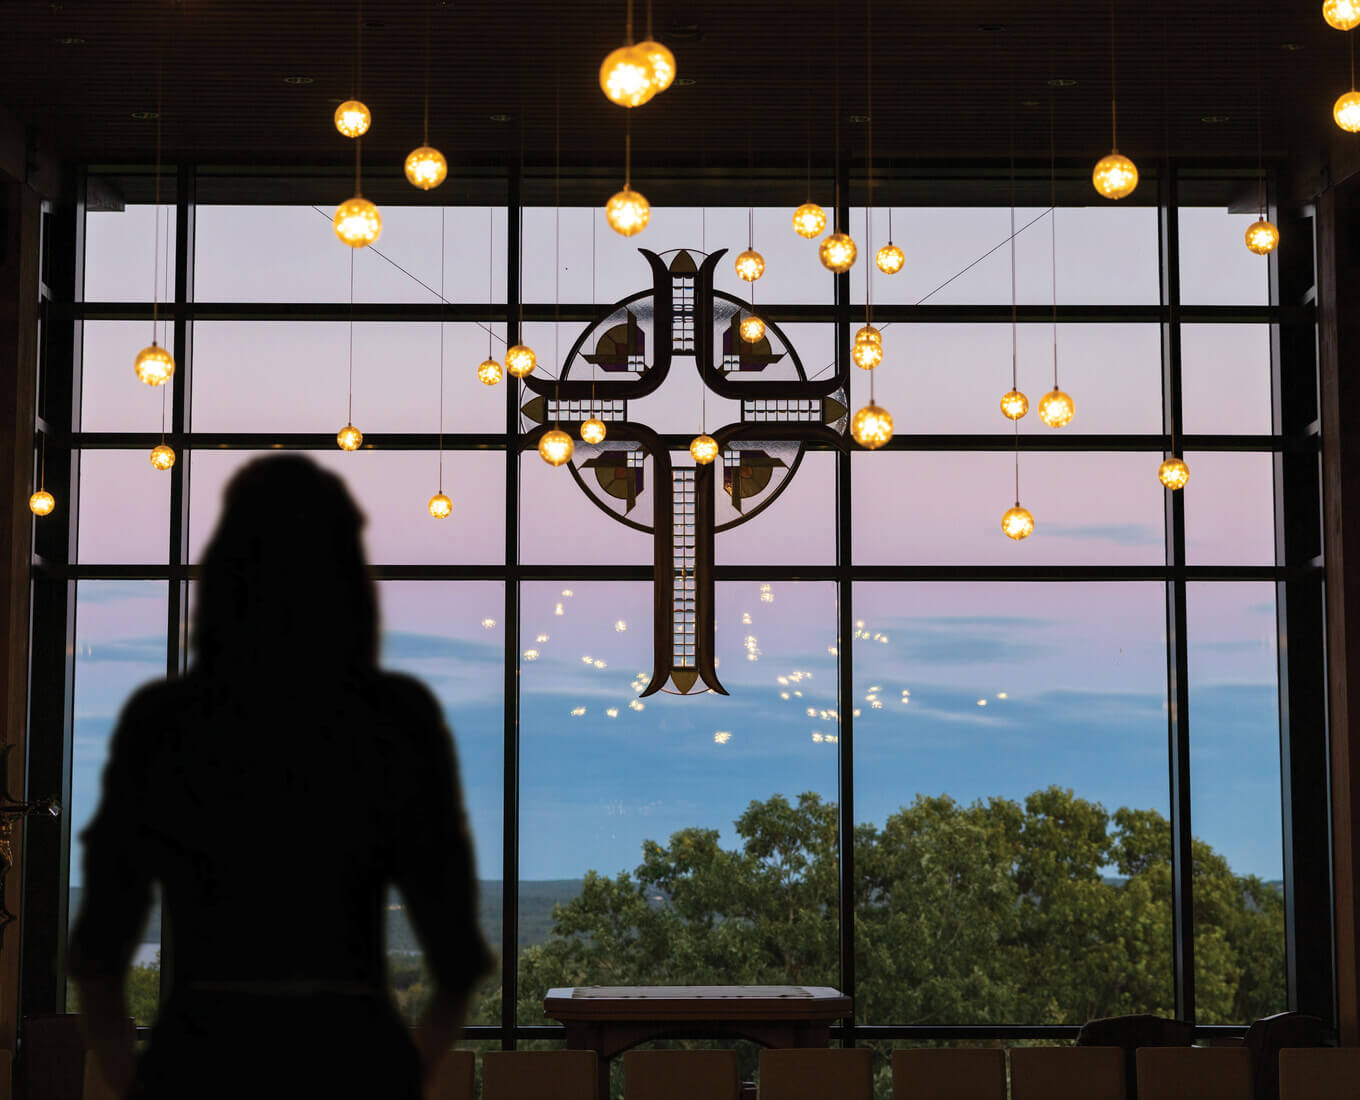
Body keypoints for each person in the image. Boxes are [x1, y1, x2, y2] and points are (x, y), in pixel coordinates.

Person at [67, 454, 495, 1099]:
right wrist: (404, 1075)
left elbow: (100, 950)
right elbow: (456, 958)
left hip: (203, 1053)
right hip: (349, 1052)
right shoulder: (394, 720)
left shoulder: (167, 722)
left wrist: (136, 1083)